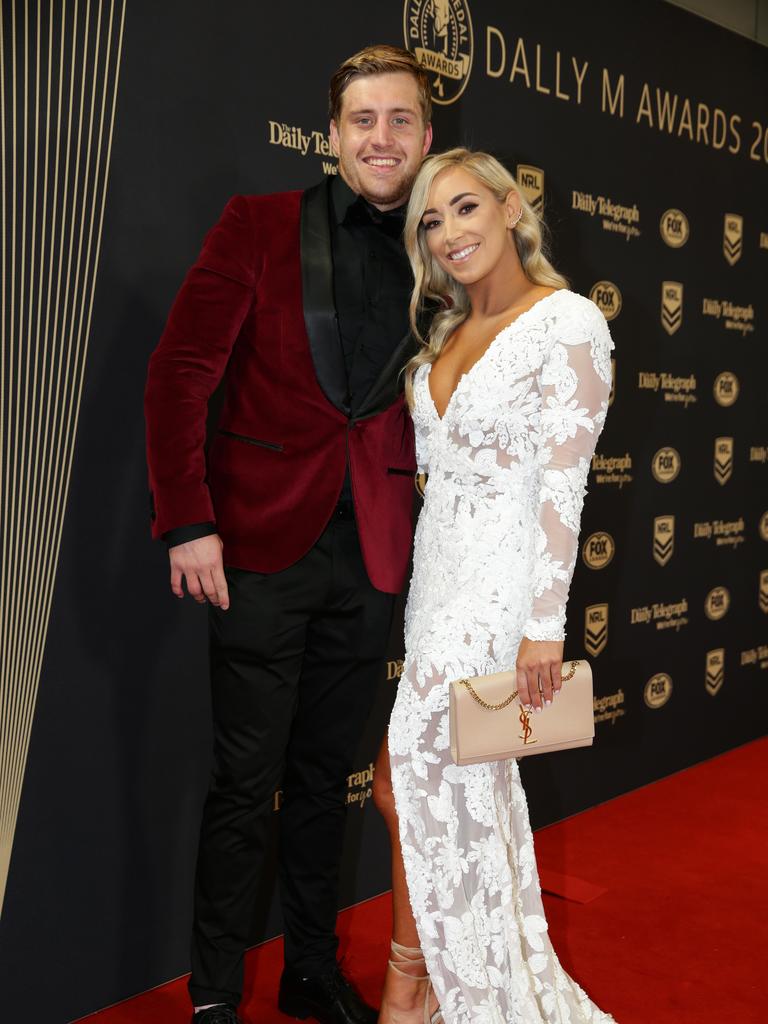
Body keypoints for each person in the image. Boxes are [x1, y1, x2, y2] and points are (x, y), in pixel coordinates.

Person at [144, 46, 432, 1024]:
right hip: (259, 548)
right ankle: (216, 997)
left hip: (376, 550)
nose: (382, 137)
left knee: (325, 783)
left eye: (401, 120)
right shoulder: (261, 227)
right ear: (334, 132)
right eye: (364, 119)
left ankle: (311, 969)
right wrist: (188, 518)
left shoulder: (447, 254)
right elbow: (181, 369)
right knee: (244, 784)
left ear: (427, 138)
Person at [374, 148, 616, 1024]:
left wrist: (543, 627)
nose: (449, 234)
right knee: (421, 792)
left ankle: (437, 995)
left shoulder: (569, 323)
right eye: (431, 222)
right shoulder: (444, 333)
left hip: (501, 601)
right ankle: (439, 986)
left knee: (430, 790)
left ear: (512, 209)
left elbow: (564, 483)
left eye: (466, 208)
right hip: (435, 590)